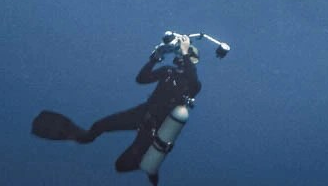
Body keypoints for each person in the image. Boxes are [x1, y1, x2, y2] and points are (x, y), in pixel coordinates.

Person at [31, 35, 202, 175]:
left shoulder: (193, 83)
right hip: (143, 112)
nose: (181, 55)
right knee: (99, 126)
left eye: (186, 54)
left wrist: (186, 52)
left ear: (192, 60)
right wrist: (155, 58)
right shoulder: (168, 71)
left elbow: (193, 81)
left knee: (121, 165)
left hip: (157, 125)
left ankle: (147, 165)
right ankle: (74, 134)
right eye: (181, 53)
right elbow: (141, 79)